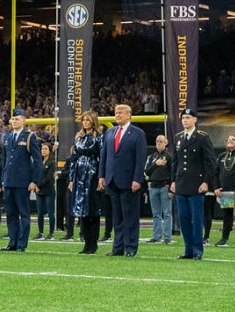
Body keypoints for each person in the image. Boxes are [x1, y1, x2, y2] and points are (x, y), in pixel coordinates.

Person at [98, 103, 147, 257]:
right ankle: (117, 247)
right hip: (112, 180)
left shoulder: (138, 133)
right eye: (116, 112)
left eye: (121, 112)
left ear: (128, 115)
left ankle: (131, 247)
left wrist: (137, 179)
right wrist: (102, 176)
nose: (117, 115)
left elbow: (140, 158)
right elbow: (104, 156)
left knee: (130, 216)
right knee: (116, 217)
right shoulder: (110, 132)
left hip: (129, 181)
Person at [171, 108, 216, 260]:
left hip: (197, 184)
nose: (185, 120)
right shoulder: (178, 137)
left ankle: (197, 250)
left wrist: (206, 182)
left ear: (195, 120)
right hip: (181, 184)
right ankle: (188, 250)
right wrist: (172, 180)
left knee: (196, 219)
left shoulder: (202, 137)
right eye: (183, 118)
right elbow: (175, 161)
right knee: (183, 219)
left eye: (188, 118)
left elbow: (210, 162)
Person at [0, 108, 42, 253]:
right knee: (11, 213)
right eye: (13, 119)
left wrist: (34, 180)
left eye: (17, 119)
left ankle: (21, 243)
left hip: (23, 181)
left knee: (23, 213)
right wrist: (2, 179)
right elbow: (5, 160)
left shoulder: (29, 136)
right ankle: (13, 241)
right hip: (9, 180)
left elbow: (37, 160)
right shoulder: (7, 137)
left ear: (24, 120)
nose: (14, 121)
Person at [68, 110, 103, 254]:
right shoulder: (79, 138)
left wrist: (101, 176)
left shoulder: (98, 138)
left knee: (92, 210)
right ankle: (86, 242)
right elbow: (73, 159)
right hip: (79, 174)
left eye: (88, 120)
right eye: (84, 120)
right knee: (81, 210)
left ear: (93, 122)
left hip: (92, 174)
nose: (85, 122)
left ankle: (93, 243)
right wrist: (71, 178)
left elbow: (102, 158)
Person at [214, 134, 235, 248]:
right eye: (228, 139)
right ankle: (224, 239)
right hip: (226, 191)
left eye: (233, 139)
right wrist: (216, 187)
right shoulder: (222, 156)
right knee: (227, 215)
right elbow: (216, 173)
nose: (230, 141)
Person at [144, 134, 173, 245]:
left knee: (167, 213)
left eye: (161, 141)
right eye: (157, 141)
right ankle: (156, 236)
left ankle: (167, 237)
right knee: (156, 213)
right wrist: (156, 164)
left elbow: (172, 173)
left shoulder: (169, 157)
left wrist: (171, 189)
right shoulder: (151, 157)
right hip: (153, 187)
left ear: (166, 143)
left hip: (164, 187)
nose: (159, 143)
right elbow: (146, 172)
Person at [34, 142, 56, 241]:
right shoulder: (38, 162)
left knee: (50, 213)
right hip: (39, 191)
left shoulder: (52, 162)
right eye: (42, 149)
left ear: (49, 150)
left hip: (48, 190)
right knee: (39, 213)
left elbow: (49, 177)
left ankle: (51, 233)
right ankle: (41, 232)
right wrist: (35, 184)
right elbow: (35, 173)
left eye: (46, 149)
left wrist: (38, 185)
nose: (43, 151)